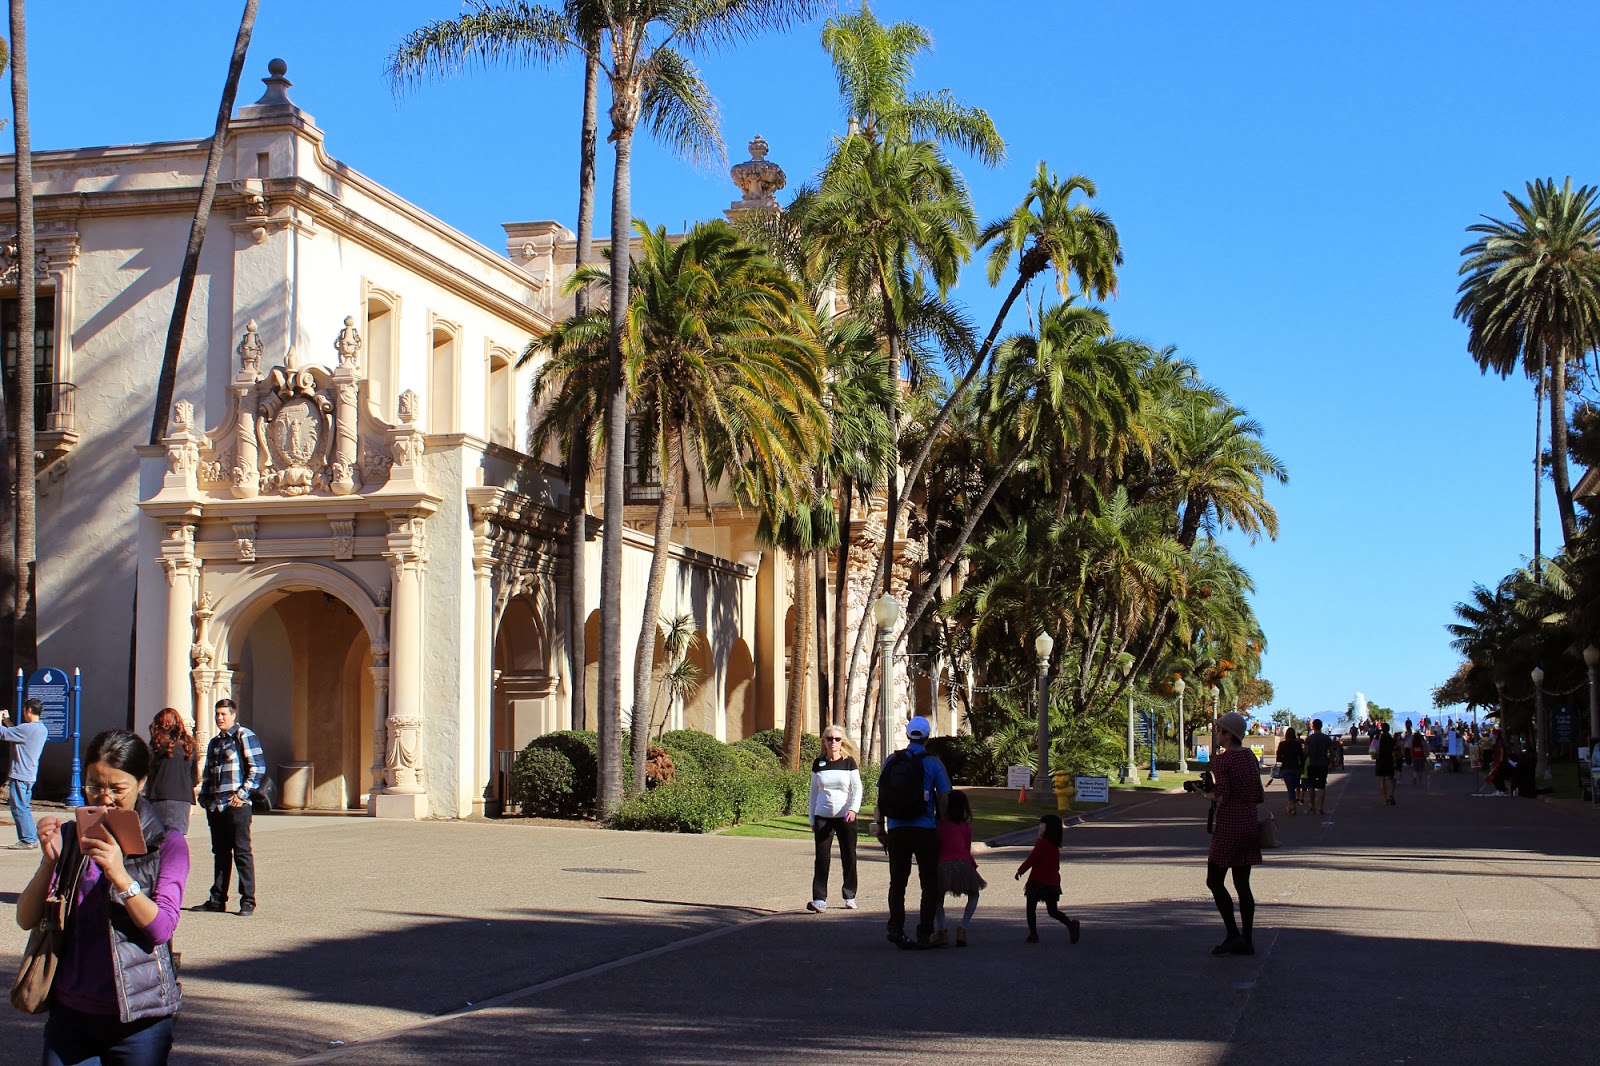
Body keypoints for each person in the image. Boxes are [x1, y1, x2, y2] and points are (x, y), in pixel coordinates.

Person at [16, 729, 188, 1065]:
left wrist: (119, 875)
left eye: (117, 788)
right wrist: (48, 862)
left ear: (141, 783)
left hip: (140, 1020)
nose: (103, 798)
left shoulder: (167, 845)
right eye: (94, 786)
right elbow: (25, 918)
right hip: (71, 1015)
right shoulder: (71, 836)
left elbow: (161, 928)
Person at [873, 715, 951, 950]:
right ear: (927, 738)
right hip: (925, 828)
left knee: (898, 882)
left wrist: (880, 824)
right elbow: (945, 795)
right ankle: (924, 932)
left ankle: (896, 927)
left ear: (908, 735)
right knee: (929, 882)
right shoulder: (933, 762)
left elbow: (881, 796)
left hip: (897, 828)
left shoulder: (891, 760)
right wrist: (941, 820)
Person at [1198, 710, 1263, 956]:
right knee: (1242, 884)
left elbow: (1222, 796)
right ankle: (1247, 938)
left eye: (1219, 730)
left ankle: (1232, 934)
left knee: (1214, 880)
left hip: (1229, 825)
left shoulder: (1224, 760)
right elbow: (1257, 793)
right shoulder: (1249, 758)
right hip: (1249, 823)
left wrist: (1203, 793)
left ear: (1228, 735)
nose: (1216, 734)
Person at [195, 698, 264, 916]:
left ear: (233, 715)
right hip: (216, 807)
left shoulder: (243, 736)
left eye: (224, 714)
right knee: (220, 853)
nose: (220, 718)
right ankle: (217, 899)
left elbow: (257, 767)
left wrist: (241, 795)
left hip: (236, 806)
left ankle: (247, 900)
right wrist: (205, 799)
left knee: (242, 852)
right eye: (217, 714)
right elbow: (208, 773)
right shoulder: (215, 742)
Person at [806, 726, 862, 913]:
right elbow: (814, 792)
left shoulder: (849, 763)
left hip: (845, 817)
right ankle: (819, 898)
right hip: (823, 816)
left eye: (837, 739)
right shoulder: (819, 763)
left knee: (849, 856)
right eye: (829, 738)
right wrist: (812, 817)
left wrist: (854, 809)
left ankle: (850, 895)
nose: (833, 742)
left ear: (842, 741)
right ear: (824, 741)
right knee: (822, 858)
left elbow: (857, 788)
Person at [932, 789, 985, 947]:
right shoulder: (966, 827)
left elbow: (937, 846)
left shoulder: (939, 825)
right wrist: (972, 867)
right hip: (963, 864)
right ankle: (963, 927)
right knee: (974, 895)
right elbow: (966, 850)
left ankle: (941, 930)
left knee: (938, 898)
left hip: (943, 864)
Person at [1015, 814, 1079, 944]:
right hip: (1051, 884)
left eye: (1042, 826)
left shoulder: (1042, 844)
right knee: (1053, 911)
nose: (1039, 827)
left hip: (1037, 882)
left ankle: (1033, 934)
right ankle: (1070, 925)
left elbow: (1032, 859)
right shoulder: (1055, 847)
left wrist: (1020, 870)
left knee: (1031, 909)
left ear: (1048, 828)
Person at [1, 698, 50, 849]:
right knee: (24, 806)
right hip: (29, 773)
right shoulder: (40, 729)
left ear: (28, 710)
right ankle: (30, 837)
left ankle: (28, 839)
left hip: (20, 773)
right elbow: (15, 733)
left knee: (19, 807)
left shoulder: (27, 729)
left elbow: (4, 734)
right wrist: (7, 720)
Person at [145, 707, 197, 835]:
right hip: (183, 798)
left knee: (158, 837)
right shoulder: (189, 746)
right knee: (177, 838)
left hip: (159, 796)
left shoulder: (156, 745)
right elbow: (194, 778)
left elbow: (148, 772)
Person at [1303, 718, 1334, 815]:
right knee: (1322, 786)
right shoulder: (1326, 738)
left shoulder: (1309, 739)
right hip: (1323, 763)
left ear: (1313, 726)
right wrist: (1331, 762)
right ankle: (1320, 808)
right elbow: (1331, 751)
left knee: (1311, 786)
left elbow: (1306, 752)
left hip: (1312, 763)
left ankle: (1312, 806)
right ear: (1321, 726)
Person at [1277, 727, 1305, 816]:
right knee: (1296, 787)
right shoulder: (1298, 744)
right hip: (1296, 768)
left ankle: (1292, 806)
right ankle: (1291, 804)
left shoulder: (1282, 744)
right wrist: (1302, 767)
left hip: (1286, 768)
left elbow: (1278, 758)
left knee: (1290, 789)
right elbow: (1301, 757)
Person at [1375, 721, 1397, 805]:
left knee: (1382, 780)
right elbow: (1395, 747)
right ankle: (1391, 794)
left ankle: (1385, 799)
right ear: (1388, 729)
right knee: (1391, 778)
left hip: (1380, 760)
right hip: (1389, 760)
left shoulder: (1378, 738)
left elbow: (1373, 746)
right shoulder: (1390, 739)